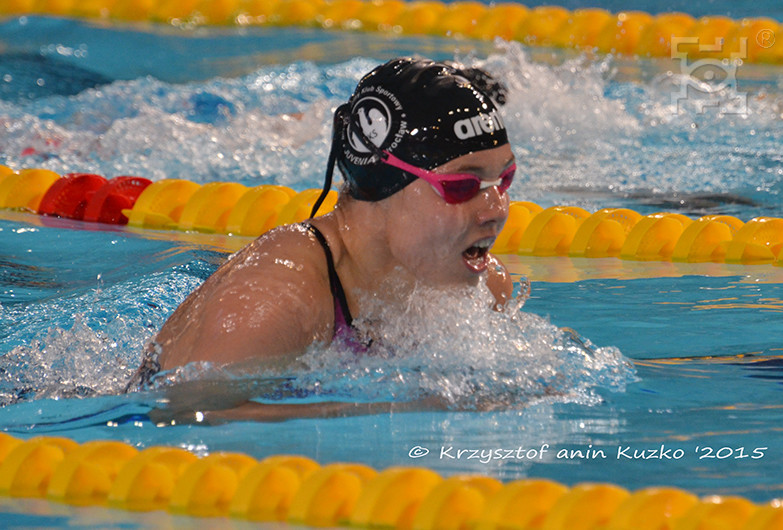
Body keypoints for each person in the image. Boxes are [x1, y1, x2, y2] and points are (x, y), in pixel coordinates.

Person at [129, 57, 516, 420]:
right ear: (383, 183)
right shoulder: (277, 298)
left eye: (504, 180)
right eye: (462, 186)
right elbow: (180, 414)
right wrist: (401, 408)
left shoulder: (484, 287)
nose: (497, 210)